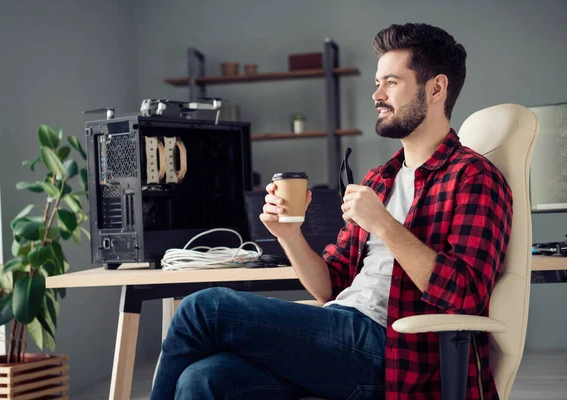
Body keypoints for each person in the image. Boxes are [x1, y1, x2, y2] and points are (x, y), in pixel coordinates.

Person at [150, 22, 512, 400]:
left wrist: (384, 225)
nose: (377, 94)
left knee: (202, 309)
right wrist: (289, 235)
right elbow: (331, 285)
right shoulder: (380, 179)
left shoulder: (473, 177)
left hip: (393, 352)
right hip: (338, 333)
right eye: (377, 82)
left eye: (391, 82)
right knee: (203, 378)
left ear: (436, 88)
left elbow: (466, 294)